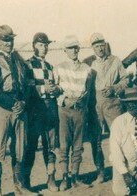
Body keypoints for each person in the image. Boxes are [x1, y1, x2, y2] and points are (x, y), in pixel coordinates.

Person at [0, 25, 34, 195]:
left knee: (21, 148)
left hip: (20, 109)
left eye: (10, 39)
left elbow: (28, 86)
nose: (8, 43)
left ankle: (20, 187)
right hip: (3, 108)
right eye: (5, 40)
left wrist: (23, 103)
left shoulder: (20, 62)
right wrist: (13, 104)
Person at [88, 33, 129, 184]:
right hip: (96, 104)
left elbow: (126, 79)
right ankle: (100, 172)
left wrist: (115, 87)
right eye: (96, 46)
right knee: (96, 138)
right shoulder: (89, 63)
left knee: (119, 137)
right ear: (92, 48)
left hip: (113, 103)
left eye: (101, 45)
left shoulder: (115, 61)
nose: (99, 48)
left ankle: (123, 170)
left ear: (105, 45)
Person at [54, 35, 92, 191]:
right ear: (65, 50)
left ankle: (75, 176)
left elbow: (87, 92)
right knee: (64, 145)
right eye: (70, 48)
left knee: (78, 145)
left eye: (76, 47)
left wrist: (80, 102)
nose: (74, 50)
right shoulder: (58, 68)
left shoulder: (87, 69)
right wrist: (64, 100)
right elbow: (55, 89)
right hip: (64, 109)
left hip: (80, 110)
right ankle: (64, 177)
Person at [23, 32, 59, 192]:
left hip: (50, 110)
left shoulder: (50, 66)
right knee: (30, 146)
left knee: (50, 146)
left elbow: (55, 87)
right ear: (34, 46)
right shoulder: (27, 65)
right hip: (34, 111)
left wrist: (56, 89)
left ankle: (51, 179)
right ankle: (25, 182)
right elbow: (27, 88)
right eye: (40, 45)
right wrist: (44, 88)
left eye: (46, 45)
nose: (44, 48)